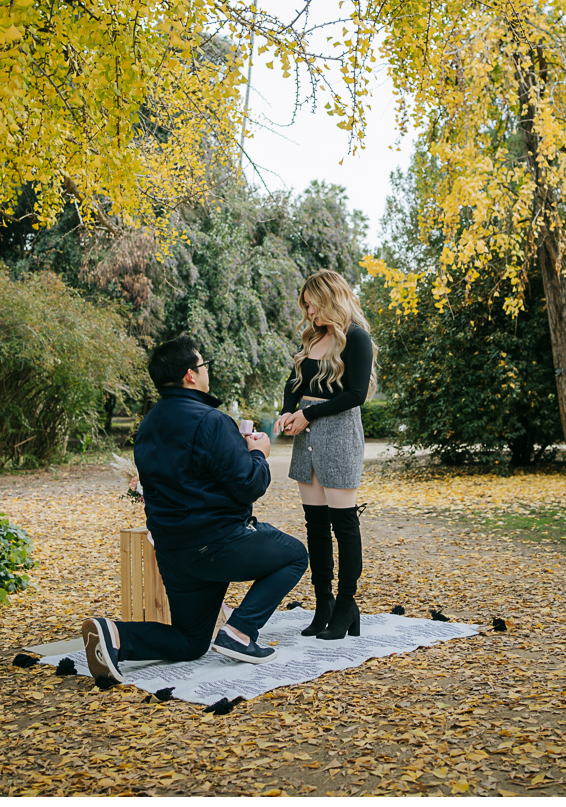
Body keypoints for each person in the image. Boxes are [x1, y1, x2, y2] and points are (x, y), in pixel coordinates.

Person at [81, 335, 308, 683]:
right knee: (294, 555)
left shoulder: (149, 424)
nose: (206, 372)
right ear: (190, 374)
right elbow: (249, 485)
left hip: (173, 549)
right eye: (203, 366)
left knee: (190, 642)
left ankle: (116, 636)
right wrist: (259, 453)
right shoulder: (211, 421)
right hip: (217, 542)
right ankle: (241, 632)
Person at [273, 269, 377, 641]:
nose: (309, 313)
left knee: (343, 525)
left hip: (338, 436)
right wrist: (288, 411)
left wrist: (308, 414)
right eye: (305, 308)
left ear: (329, 298)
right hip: (306, 436)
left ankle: (348, 604)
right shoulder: (313, 339)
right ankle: (324, 604)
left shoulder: (356, 339)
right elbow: (293, 383)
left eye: (312, 305)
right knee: (315, 527)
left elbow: (356, 396)